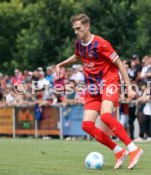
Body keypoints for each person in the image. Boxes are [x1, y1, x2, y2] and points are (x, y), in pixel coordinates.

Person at [55, 14, 143, 169]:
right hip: (93, 88)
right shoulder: (79, 44)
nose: (76, 32)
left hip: (109, 82)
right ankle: (118, 151)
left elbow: (120, 64)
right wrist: (61, 64)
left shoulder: (101, 44)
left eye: (79, 28)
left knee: (106, 116)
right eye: (74, 29)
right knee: (87, 126)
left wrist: (129, 87)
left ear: (87, 26)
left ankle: (133, 149)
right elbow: (77, 57)